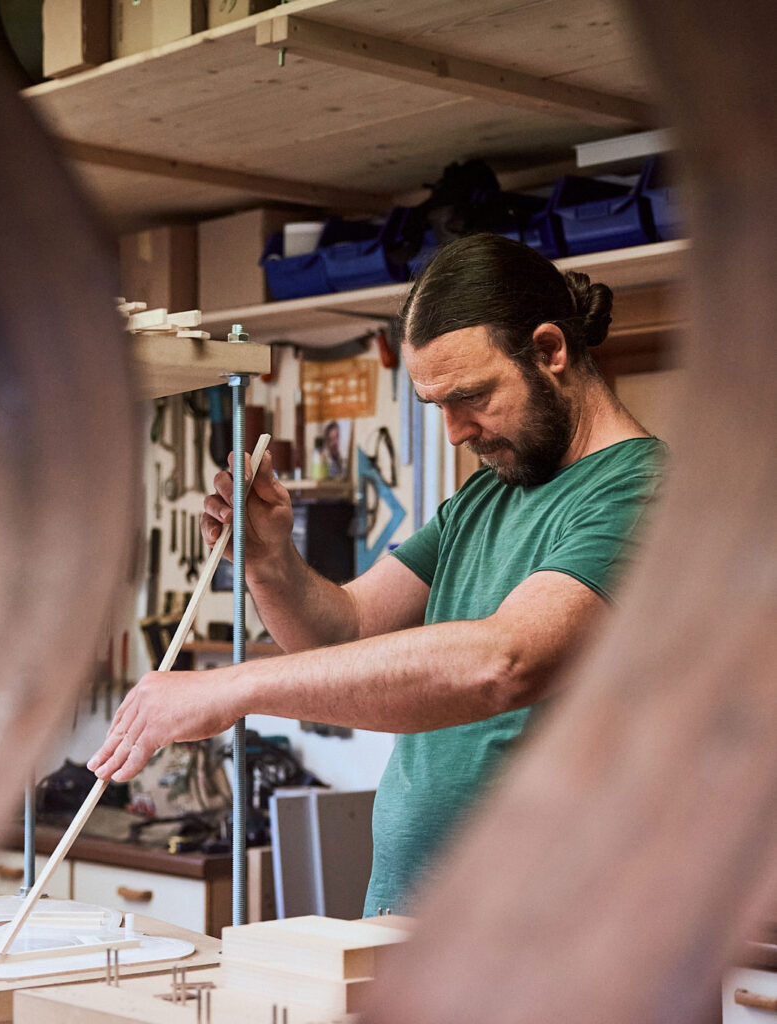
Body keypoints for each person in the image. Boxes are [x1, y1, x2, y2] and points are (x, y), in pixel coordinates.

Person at [89, 234, 666, 915]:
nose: (453, 432)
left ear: (548, 351)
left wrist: (231, 688)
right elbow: (344, 630)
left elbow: (503, 662)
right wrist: (270, 563)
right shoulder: (490, 493)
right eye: (434, 407)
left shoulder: (641, 492)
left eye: (470, 396)